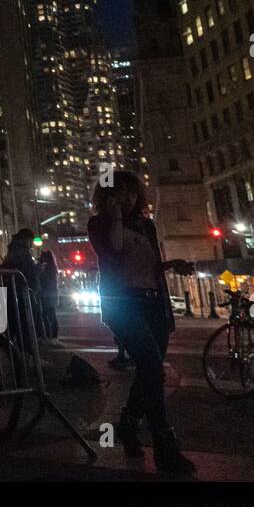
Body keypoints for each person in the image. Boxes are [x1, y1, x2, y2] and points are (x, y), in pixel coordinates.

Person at [88, 170, 196, 475]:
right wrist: (117, 218)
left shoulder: (147, 226)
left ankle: (128, 424)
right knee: (151, 366)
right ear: (106, 197)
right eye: (118, 192)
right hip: (123, 304)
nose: (126, 198)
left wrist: (172, 264)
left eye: (131, 192)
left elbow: (149, 264)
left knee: (150, 369)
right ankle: (164, 445)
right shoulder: (99, 224)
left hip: (152, 303)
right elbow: (116, 252)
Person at [37, 248, 60, 340]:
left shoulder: (46, 269)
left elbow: (43, 280)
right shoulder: (52, 268)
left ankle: (49, 334)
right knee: (51, 315)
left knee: (46, 315)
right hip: (51, 294)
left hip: (46, 294)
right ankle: (52, 335)